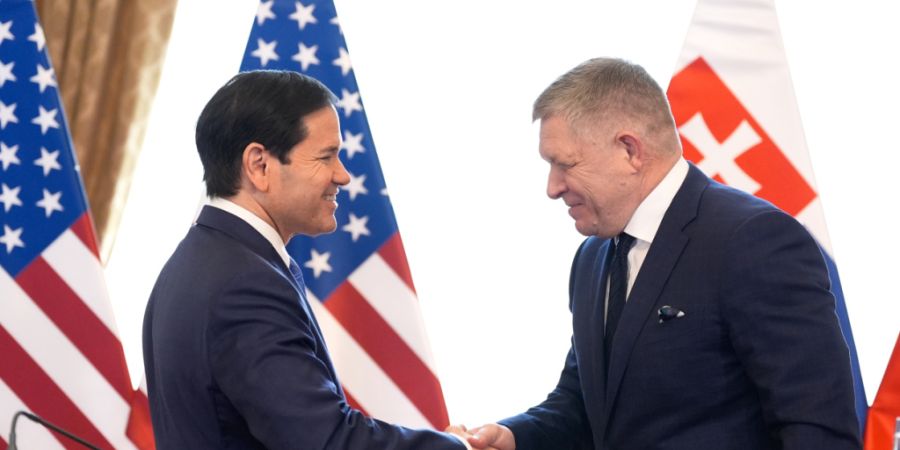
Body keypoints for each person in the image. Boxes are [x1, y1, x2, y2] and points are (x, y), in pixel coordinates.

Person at [462, 58, 861, 450]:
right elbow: (584, 407)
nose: (552, 187)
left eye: (564, 164)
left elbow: (817, 428)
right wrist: (514, 437)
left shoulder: (753, 240)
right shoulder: (592, 258)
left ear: (630, 151)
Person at [142, 71, 475, 449]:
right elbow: (324, 441)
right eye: (326, 156)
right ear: (259, 165)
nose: (344, 175)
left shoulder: (199, 260)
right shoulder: (244, 285)